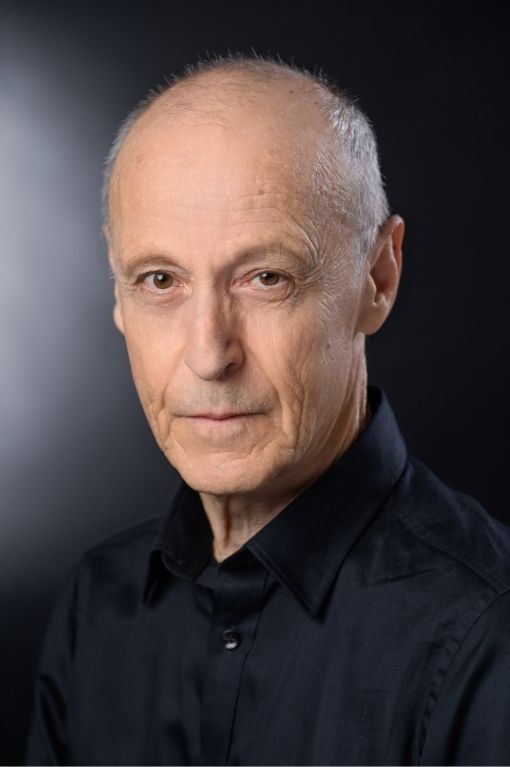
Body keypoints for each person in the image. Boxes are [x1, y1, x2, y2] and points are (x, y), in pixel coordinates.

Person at [26, 54, 510, 766]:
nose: (208, 355)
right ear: (117, 287)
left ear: (378, 277)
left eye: (266, 277)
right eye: (159, 279)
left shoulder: (488, 639)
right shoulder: (95, 605)